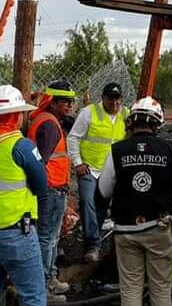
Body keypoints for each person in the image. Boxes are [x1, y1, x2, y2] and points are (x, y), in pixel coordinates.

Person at [98, 97, 172, 306]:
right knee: (161, 288)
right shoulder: (170, 150)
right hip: (159, 227)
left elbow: (103, 190)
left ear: (131, 121)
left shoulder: (116, 150)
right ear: (157, 123)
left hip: (125, 229)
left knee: (130, 289)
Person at [0, 85, 48, 306]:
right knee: (33, 296)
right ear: (15, 116)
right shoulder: (21, 146)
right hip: (17, 232)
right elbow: (41, 185)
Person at [67, 81, 129, 262]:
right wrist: (78, 163)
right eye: (111, 99)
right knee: (87, 201)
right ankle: (93, 244)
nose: (115, 103)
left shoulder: (126, 114)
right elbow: (73, 138)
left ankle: (92, 242)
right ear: (103, 98)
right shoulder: (89, 113)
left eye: (118, 99)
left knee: (101, 206)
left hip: (110, 171)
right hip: (89, 169)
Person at [26, 80, 77, 303]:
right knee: (46, 239)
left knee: (51, 238)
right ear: (53, 102)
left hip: (51, 189)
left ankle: (50, 278)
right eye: (65, 101)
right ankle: (44, 285)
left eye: (71, 101)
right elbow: (42, 161)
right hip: (51, 189)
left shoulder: (44, 120)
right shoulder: (49, 125)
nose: (70, 105)